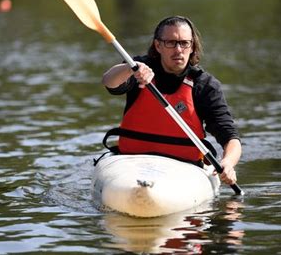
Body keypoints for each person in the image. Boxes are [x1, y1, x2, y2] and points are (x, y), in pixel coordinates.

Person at [102, 15, 241, 186]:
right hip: (131, 162)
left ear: (192, 47)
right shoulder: (138, 69)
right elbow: (109, 82)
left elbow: (230, 137)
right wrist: (130, 69)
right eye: (171, 43)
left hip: (184, 166)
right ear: (158, 45)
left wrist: (228, 162)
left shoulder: (205, 85)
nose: (178, 49)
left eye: (184, 43)